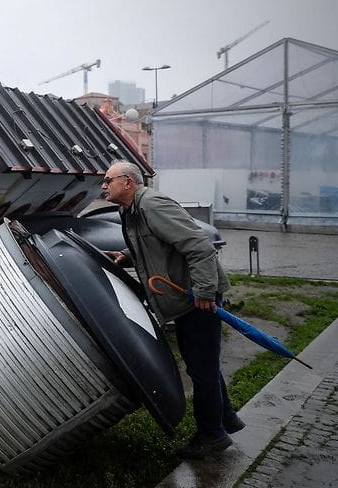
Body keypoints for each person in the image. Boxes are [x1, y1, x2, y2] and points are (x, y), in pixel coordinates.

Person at [101, 161, 244, 460]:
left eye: (108, 180)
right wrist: (127, 256)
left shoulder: (152, 205)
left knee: (202, 370)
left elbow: (199, 246)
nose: (103, 186)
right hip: (186, 299)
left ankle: (212, 435)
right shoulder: (131, 210)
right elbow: (158, 246)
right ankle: (226, 418)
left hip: (196, 299)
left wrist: (205, 292)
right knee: (202, 365)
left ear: (128, 182)